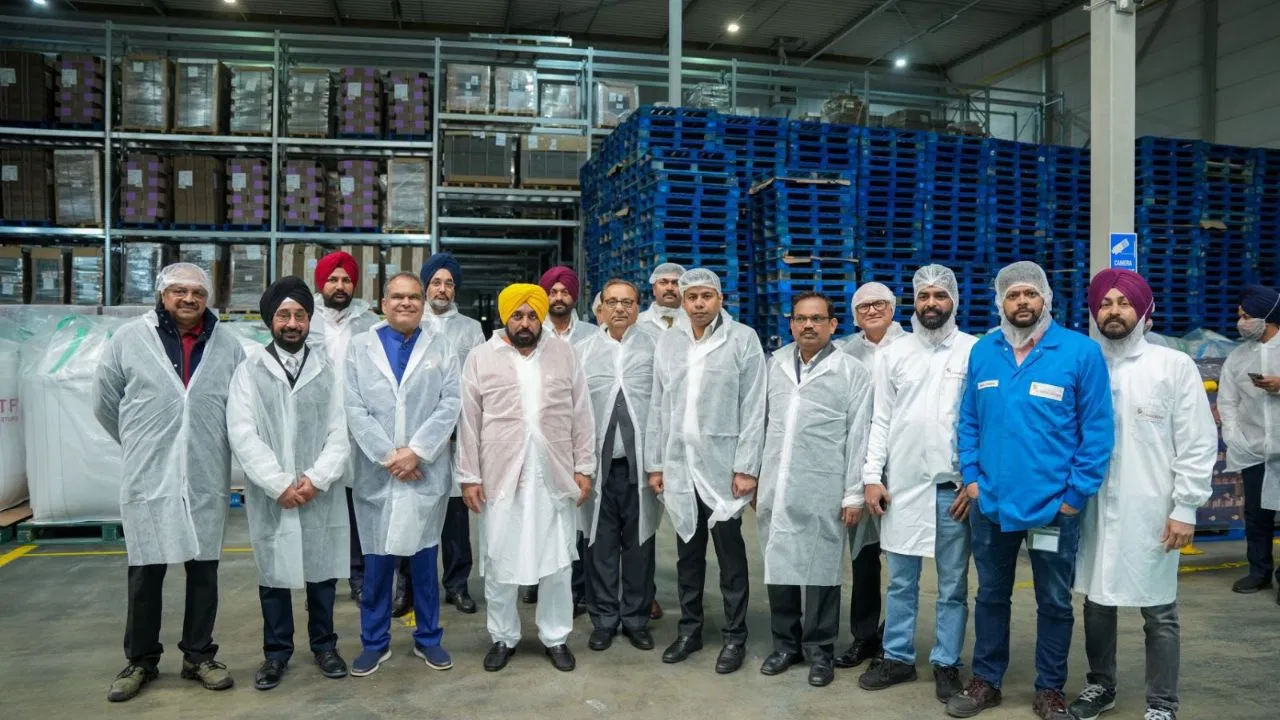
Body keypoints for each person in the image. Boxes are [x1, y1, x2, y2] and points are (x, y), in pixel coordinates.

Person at [948, 261, 1114, 720]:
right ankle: (986, 681)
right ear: (1000, 301)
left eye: (1030, 294)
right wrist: (973, 479)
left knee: (1054, 601)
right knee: (991, 595)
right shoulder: (984, 351)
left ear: (1046, 298)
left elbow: (1097, 431)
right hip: (992, 505)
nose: (1021, 302)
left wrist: (1074, 497)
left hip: (1053, 508)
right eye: (1012, 295)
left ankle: (1050, 689)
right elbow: (968, 420)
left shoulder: (1079, 352)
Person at [1067, 270, 1217, 720]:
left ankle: (1162, 701)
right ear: (1094, 311)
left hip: (1151, 506)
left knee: (1159, 608)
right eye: (1105, 303)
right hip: (1093, 504)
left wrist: (1185, 506)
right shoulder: (1085, 362)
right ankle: (1101, 685)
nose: (1114, 311)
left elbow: (1197, 441)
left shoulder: (1172, 366)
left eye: (1124, 303)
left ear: (1144, 310)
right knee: (1096, 600)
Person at [94, 262, 245, 702]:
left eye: (197, 292)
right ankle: (141, 660)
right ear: (163, 295)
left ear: (207, 298)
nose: (188, 299)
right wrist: (141, 441)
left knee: (204, 570)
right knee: (146, 570)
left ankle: (199, 655)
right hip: (150, 473)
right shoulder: (130, 339)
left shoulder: (227, 344)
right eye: (179, 291)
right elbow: (105, 400)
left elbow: (243, 406)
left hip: (204, 472)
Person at [457, 283, 596, 673]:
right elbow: (468, 421)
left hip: (555, 474)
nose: (525, 323)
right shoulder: (481, 357)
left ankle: (556, 636)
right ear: (505, 317)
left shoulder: (565, 354)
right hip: (501, 475)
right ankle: (503, 636)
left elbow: (582, 414)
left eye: (532, 315)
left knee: (557, 562)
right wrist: (469, 476)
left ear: (541, 318)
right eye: (517, 315)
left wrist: (584, 468)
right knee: (500, 559)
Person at [853, 265, 977, 703]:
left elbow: (982, 421)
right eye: (924, 296)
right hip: (902, 489)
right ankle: (898, 657)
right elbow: (880, 419)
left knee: (953, 585)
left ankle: (946, 662)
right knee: (901, 581)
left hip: (952, 491)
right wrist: (872, 477)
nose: (931, 303)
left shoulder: (973, 351)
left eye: (939, 295)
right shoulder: (895, 353)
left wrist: (973, 481)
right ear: (914, 302)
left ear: (954, 301)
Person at [226, 277, 353, 690]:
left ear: (309, 320)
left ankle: (325, 646)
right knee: (274, 575)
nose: (293, 323)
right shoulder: (249, 371)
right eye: (284, 315)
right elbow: (242, 433)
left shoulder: (328, 370)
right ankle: (276, 653)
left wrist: (316, 478)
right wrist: (278, 484)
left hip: (319, 492)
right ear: (270, 320)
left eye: (300, 315)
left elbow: (340, 432)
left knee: (322, 574)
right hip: (274, 495)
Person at [647, 268, 766, 675]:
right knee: (688, 555)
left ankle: (735, 636)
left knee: (731, 557)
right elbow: (658, 404)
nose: (698, 304)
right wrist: (656, 463)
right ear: (682, 300)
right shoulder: (670, 341)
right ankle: (690, 630)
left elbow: (754, 406)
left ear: (720, 299)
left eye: (706, 296)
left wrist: (746, 467)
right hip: (680, 466)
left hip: (723, 468)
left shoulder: (742, 339)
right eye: (692, 296)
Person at [343, 272, 461, 678]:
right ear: (383, 302)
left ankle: (429, 638)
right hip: (378, 473)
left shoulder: (441, 346)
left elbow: (450, 403)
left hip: (424, 471)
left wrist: (417, 452)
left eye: (413, 297)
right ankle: (374, 643)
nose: (406, 303)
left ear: (423, 303)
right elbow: (353, 407)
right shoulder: (360, 346)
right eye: (397, 297)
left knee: (425, 562)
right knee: (377, 564)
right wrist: (389, 456)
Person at [757, 292, 873, 688]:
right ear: (791, 323)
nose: (808, 325)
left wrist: (853, 493)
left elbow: (858, 435)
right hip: (778, 481)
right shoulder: (775, 364)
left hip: (825, 483)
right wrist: (756, 476)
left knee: (822, 568)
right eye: (801, 318)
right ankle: (785, 645)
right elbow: (762, 423)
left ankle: (820, 650)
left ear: (833, 324)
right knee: (779, 563)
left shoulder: (851, 371)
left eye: (817, 319)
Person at [576, 279, 662, 653]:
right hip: (598, 467)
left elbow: (664, 406)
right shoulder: (584, 351)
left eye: (628, 302)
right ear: (601, 308)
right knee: (600, 545)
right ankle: (604, 619)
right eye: (612, 302)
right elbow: (575, 410)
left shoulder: (656, 348)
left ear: (638, 307)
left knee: (640, 544)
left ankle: (636, 619)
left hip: (641, 465)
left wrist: (659, 463)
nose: (620, 308)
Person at [834, 280, 908, 670]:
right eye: (863, 306)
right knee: (863, 559)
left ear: (893, 307)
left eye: (879, 303)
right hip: (858, 467)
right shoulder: (844, 352)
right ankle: (864, 636)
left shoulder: (911, 348)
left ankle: (894, 639)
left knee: (902, 562)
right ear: (854, 314)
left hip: (904, 466)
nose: (872, 310)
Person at [307, 250, 381, 604]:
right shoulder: (304, 319)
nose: (340, 286)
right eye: (333, 279)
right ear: (321, 283)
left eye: (346, 280)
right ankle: (319, 577)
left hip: (357, 425)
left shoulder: (370, 324)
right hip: (316, 425)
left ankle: (358, 574)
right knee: (320, 502)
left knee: (356, 504)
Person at [420, 252, 486, 615]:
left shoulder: (470, 329)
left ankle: (457, 584)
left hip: (458, 434)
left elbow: (477, 381)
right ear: (426, 286)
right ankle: (412, 585)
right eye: (436, 283)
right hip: (418, 434)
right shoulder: (413, 322)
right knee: (417, 513)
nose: (442, 289)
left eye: (448, 283)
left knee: (456, 516)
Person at [536, 264, 594, 611]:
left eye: (564, 292)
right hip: (540, 437)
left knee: (578, 515)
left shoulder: (591, 335)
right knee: (539, 511)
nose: (559, 297)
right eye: (553, 291)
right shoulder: (530, 329)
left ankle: (578, 585)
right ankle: (536, 579)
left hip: (579, 431)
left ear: (574, 296)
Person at [1217, 284, 1280, 598]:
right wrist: (1234, 437)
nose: (1240, 322)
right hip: (1255, 449)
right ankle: (1259, 572)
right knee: (1256, 515)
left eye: (1246, 316)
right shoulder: (1238, 357)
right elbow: (1227, 402)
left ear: (1266, 317)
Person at [638, 262, 687, 331]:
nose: (669, 288)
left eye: (676, 283)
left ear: (683, 289)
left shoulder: (694, 322)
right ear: (654, 289)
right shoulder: (637, 322)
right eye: (663, 283)